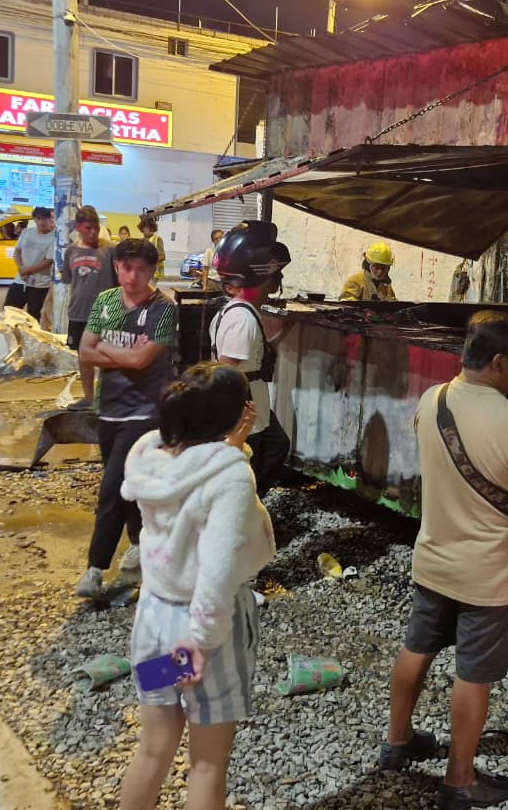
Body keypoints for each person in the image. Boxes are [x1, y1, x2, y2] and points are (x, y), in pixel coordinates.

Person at [382, 311, 508, 810]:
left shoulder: (433, 400)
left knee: (417, 647)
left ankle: (397, 742)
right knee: (473, 673)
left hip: (434, 557)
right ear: (498, 363)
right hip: (490, 573)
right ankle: (460, 779)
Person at [117, 362, 275, 810]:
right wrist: (201, 645)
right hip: (201, 633)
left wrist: (232, 444)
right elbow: (217, 569)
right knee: (206, 765)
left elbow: (198, 469)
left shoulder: (150, 453)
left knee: (153, 748)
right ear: (236, 413)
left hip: (154, 622)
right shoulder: (229, 476)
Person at [75, 239, 178, 600]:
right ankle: (139, 545)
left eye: (141, 269)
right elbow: (84, 352)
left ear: (153, 271)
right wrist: (110, 359)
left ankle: (94, 569)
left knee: (112, 487)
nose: (132, 276)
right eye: (126, 267)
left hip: (145, 412)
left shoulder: (163, 309)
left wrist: (104, 350)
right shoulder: (106, 302)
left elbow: (140, 361)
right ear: (116, 266)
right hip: (110, 408)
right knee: (129, 488)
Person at [209, 221, 293, 500]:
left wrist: (280, 336)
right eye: (276, 273)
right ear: (262, 276)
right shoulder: (242, 318)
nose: (278, 280)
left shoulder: (241, 312)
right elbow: (226, 370)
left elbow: (251, 356)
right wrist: (235, 423)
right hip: (245, 411)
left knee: (278, 445)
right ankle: (244, 513)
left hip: (255, 406)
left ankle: (251, 504)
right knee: (247, 470)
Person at [63, 206, 119, 408]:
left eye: (96, 227)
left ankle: (107, 397)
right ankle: (88, 398)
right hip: (78, 313)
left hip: (106, 314)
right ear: (79, 228)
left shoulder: (110, 250)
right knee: (84, 357)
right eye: (89, 228)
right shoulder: (71, 251)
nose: (93, 232)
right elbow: (70, 281)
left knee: (108, 357)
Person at [2, 207, 55, 321]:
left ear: (50, 220)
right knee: (9, 311)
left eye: (45, 219)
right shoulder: (27, 232)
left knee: (33, 316)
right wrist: (21, 268)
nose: (42, 222)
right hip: (20, 280)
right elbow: (17, 252)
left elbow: (48, 261)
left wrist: (27, 270)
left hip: (40, 284)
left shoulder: (54, 237)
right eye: (39, 218)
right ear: (34, 219)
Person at [138, 215, 165, 283]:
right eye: (144, 227)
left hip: (153, 273)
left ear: (152, 228)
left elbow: (162, 256)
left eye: (148, 227)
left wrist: (150, 262)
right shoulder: (141, 241)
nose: (145, 230)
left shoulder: (157, 239)